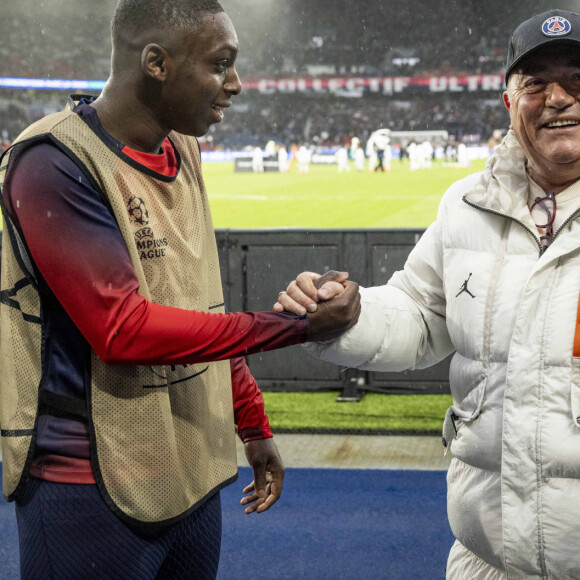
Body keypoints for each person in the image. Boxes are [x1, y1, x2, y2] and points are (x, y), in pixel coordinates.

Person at [0, 1, 360, 578]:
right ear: (156, 62)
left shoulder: (182, 148)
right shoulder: (52, 162)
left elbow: (199, 299)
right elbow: (123, 331)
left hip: (189, 473)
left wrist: (252, 420)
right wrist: (297, 326)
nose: (235, 85)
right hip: (86, 485)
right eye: (221, 64)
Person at [276, 9, 580, 579]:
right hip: (484, 561)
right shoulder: (465, 206)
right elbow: (418, 316)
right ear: (509, 104)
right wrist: (350, 315)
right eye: (535, 83)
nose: (558, 97)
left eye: (578, 79)